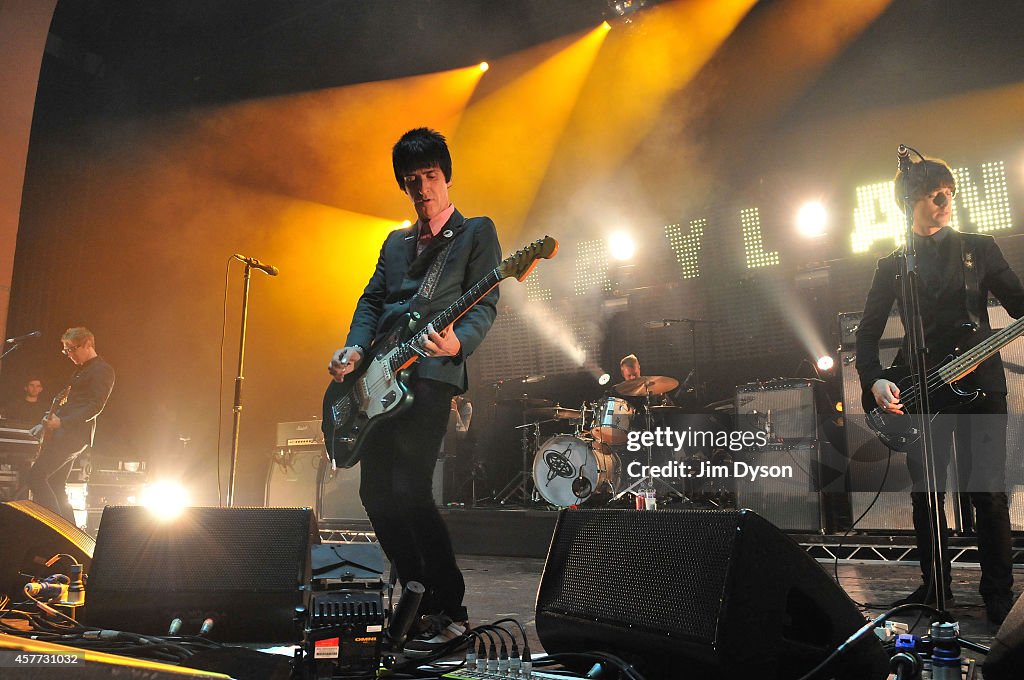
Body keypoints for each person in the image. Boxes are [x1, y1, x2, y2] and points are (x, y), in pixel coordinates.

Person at [327, 128, 500, 652]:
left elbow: (487, 305)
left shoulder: (476, 233)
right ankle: (415, 597)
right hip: (378, 378)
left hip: (430, 378)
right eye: (412, 181)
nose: (422, 188)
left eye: (429, 176)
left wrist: (456, 344)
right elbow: (370, 301)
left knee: (410, 489)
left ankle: (449, 603)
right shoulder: (395, 243)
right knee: (374, 493)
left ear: (446, 176)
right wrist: (355, 349)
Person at [855, 156, 1022, 624]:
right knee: (926, 494)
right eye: (935, 193)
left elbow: (1018, 302)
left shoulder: (980, 249)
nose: (946, 200)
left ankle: (998, 597)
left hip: (980, 388)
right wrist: (875, 379)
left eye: (949, 190)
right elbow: (866, 336)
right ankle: (934, 586)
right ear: (910, 200)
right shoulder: (893, 264)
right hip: (920, 392)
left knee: (987, 493)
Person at [27, 327, 115, 523]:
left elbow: (95, 406)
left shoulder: (102, 370)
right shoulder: (81, 370)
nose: (69, 355)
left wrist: (63, 422)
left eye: (72, 349)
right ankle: (69, 535)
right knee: (56, 483)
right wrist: (46, 421)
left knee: (35, 476)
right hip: (66, 432)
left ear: (87, 344)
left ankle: (53, 528)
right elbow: (69, 403)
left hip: (73, 434)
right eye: (65, 351)